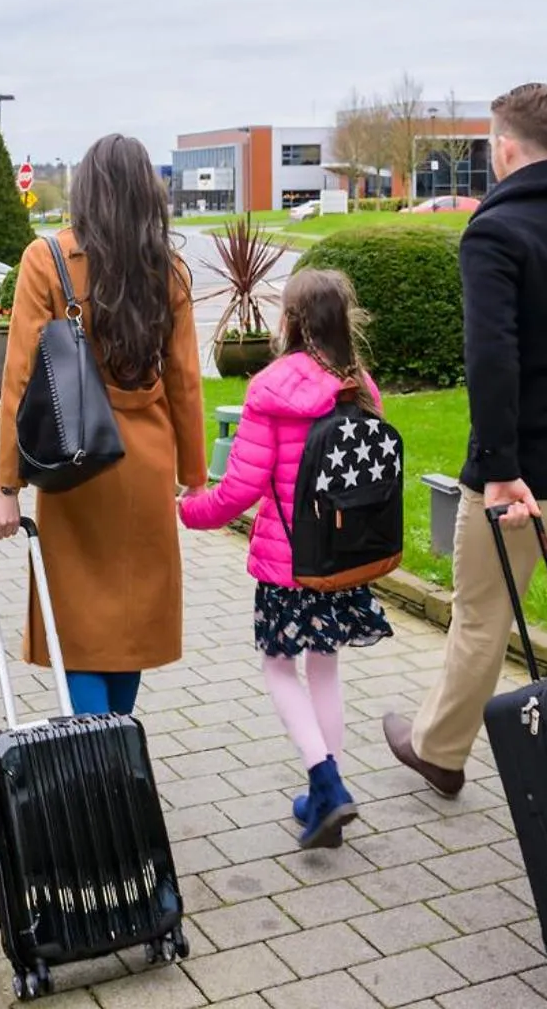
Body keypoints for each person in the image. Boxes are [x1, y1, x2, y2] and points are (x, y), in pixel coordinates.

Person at [383, 82, 547, 797]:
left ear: (505, 148)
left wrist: (500, 466)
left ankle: (441, 750)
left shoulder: (496, 232)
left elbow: (493, 357)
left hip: (520, 479)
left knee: (481, 618)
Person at [0, 133, 208, 716]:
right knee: (130, 619)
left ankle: (100, 765)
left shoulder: (48, 259)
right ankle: (116, 743)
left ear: (85, 190)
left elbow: (20, 379)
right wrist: (195, 472)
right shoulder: (171, 270)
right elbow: (185, 378)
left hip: (75, 462)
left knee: (79, 624)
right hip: (147, 463)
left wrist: (6, 488)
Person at [177, 269, 395, 849]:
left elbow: (239, 491)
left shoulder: (270, 388)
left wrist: (188, 509)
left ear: (292, 321)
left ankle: (326, 784)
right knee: (325, 667)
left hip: (288, 563)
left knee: (279, 666)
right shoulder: (360, 386)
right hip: (344, 557)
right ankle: (329, 789)